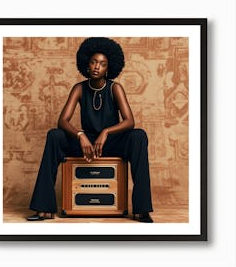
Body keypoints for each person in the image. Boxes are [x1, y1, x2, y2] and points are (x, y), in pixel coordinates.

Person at [27, 37, 153, 223]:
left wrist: (106, 132)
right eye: (94, 62)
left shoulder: (115, 88)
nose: (96, 67)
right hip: (86, 142)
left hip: (111, 142)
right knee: (54, 135)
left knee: (138, 136)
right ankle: (43, 208)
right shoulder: (79, 88)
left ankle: (142, 210)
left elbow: (129, 121)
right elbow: (62, 120)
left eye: (102, 64)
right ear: (87, 64)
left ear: (108, 69)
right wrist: (80, 135)